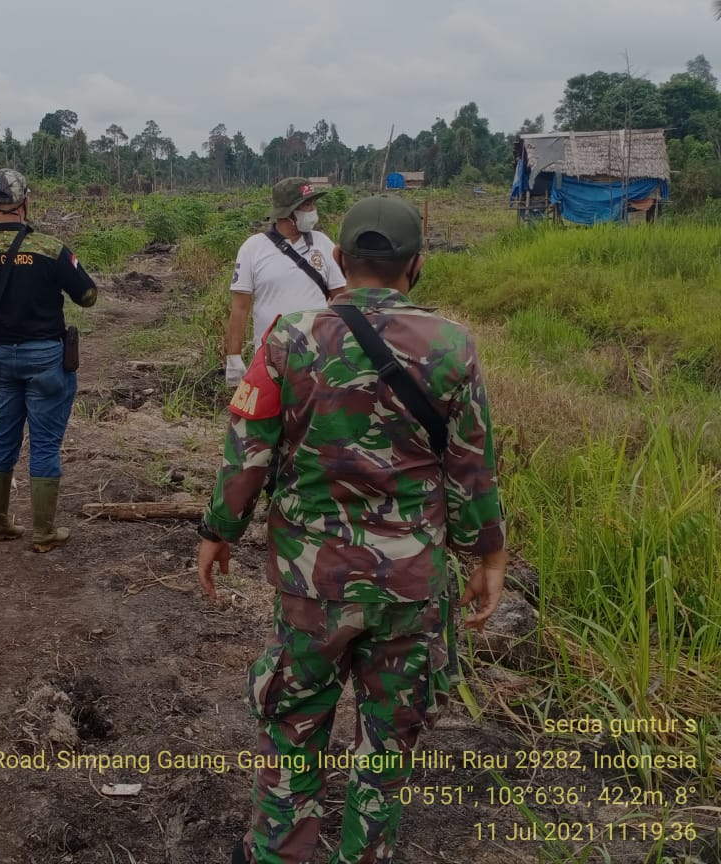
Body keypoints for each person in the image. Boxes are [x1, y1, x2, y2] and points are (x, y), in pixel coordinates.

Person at [197, 196, 508, 864]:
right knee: (390, 738)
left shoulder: (288, 336)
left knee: (293, 723)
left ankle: (280, 852)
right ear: (416, 265)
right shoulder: (452, 346)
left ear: (339, 258)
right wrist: (487, 555)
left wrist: (219, 529)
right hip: (410, 585)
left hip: (313, 583)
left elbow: (248, 449)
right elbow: (472, 468)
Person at [0, 168, 97, 552]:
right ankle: (43, 532)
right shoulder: (50, 248)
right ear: (26, 202)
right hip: (45, 356)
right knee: (45, 444)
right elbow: (88, 296)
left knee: (3, 436)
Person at [225, 177, 347, 388]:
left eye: (313, 203)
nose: (313, 210)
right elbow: (240, 308)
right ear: (287, 212)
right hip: (270, 359)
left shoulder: (323, 244)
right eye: (306, 205)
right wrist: (233, 358)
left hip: (318, 356)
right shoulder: (253, 248)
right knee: (271, 407)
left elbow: (341, 298)